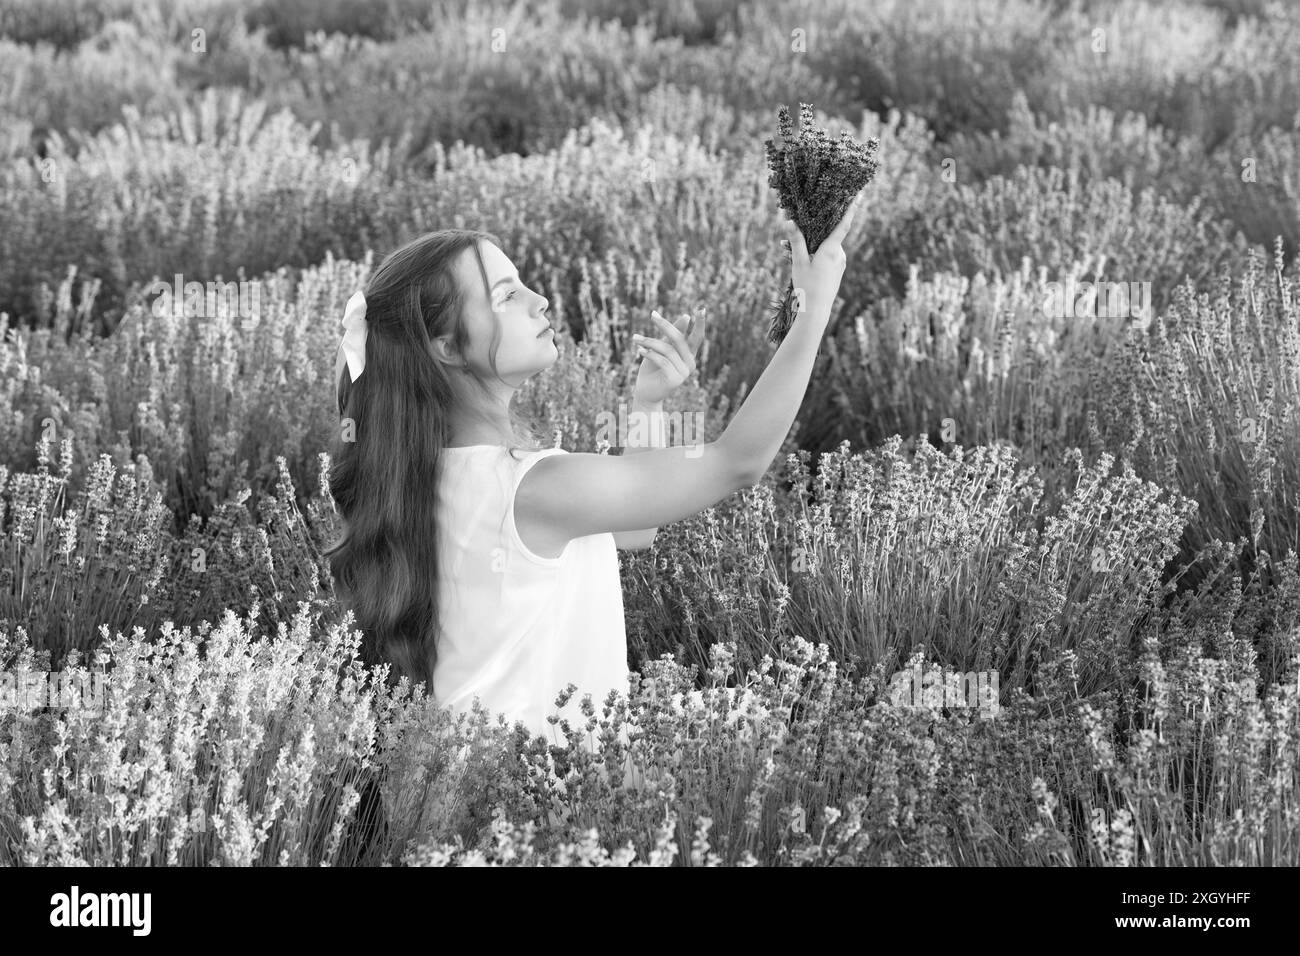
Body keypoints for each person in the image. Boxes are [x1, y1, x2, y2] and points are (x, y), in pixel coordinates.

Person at [325, 192, 861, 806]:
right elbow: (736, 463)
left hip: (470, 801)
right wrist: (813, 309)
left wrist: (649, 407)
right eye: (506, 295)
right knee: (781, 729)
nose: (540, 300)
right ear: (445, 347)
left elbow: (633, 530)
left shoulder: (433, 477)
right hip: (548, 802)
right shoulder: (535, 488)